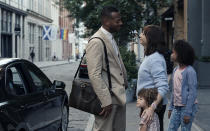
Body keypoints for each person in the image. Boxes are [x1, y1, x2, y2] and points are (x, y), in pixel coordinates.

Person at [86, 6, 128, 131]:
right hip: (108, 100)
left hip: (118, 97)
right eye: (117, 21)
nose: (121, 23)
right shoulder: (96, 41)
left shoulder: (110, 37)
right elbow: (94, 74)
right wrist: (105, 101)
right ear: (106, 21)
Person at [136, 25, 169, 131]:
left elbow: (163, 86)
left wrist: (151, 108)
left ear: (151, 38)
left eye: (143, 33)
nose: (140, 35)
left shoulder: (155, 58)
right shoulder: (150, 56)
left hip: (154, 106)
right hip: (148, 104)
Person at [168, 40, 198, 131]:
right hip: (176, 107)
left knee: (185, 129)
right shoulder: (175, 70)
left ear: (181, 54)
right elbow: (174, 90)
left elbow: (192, 93)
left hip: (187, 107)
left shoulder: (190, 71)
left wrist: (188, 112)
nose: (171, 55)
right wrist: (170, 107)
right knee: (171, 129)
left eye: (173, 52)